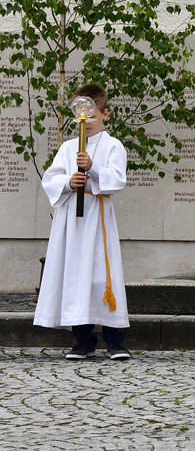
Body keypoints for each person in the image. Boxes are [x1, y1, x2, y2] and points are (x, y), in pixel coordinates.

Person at [33, 84, 131, 361]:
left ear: (105, 114)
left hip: (97, 217)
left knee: (101, 276)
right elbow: (51, 178)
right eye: (80, 117)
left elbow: (118, 179)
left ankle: (115, 341)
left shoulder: (113, 145)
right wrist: (69, 181)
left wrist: (92, 168)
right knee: (75, 274)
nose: (85, 122)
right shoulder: (68, 147)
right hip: (71, 221)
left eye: (92, 116)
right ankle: (83, 340)